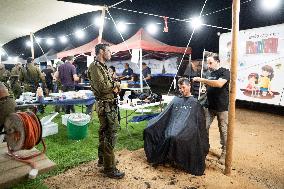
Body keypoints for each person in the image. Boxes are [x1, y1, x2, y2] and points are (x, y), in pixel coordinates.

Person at [144, 78, 209, 175]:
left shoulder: (195, 103)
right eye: (180, 88)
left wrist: (187, 130)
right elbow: (165, 115)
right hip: (173, 127)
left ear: (189, 86)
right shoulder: (176, 100)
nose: (182, 90)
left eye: (183, 87)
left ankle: (174, 159)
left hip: (188, 131)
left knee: (173, 136)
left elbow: (197, 123)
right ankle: (168, 158)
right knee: (150, 130)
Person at [87, 43, 124, 179]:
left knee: (104, 133)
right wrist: (116, 85)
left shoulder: (102, 67)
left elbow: (107, 85)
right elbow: (103, 87)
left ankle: (104, 160)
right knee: (110, 134)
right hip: (106, 105)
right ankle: (109, 168)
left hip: (108, 104)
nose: (110, 53)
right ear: (101, 51)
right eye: (109, 51)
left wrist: (113, 85)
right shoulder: (95, 67)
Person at [192, 54, 230, 164]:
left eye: (210, 63)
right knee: (204, 127)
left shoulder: (225, 72)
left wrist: (201, 80)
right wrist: (204, 88)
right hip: (209, 106)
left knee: (223, 130)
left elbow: (219, 84)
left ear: (217, 61)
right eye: (207, 63)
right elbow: (208, 85)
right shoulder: (209, 73)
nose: (208, 65)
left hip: (222, 107)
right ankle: (204, 148)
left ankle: (224, 153)